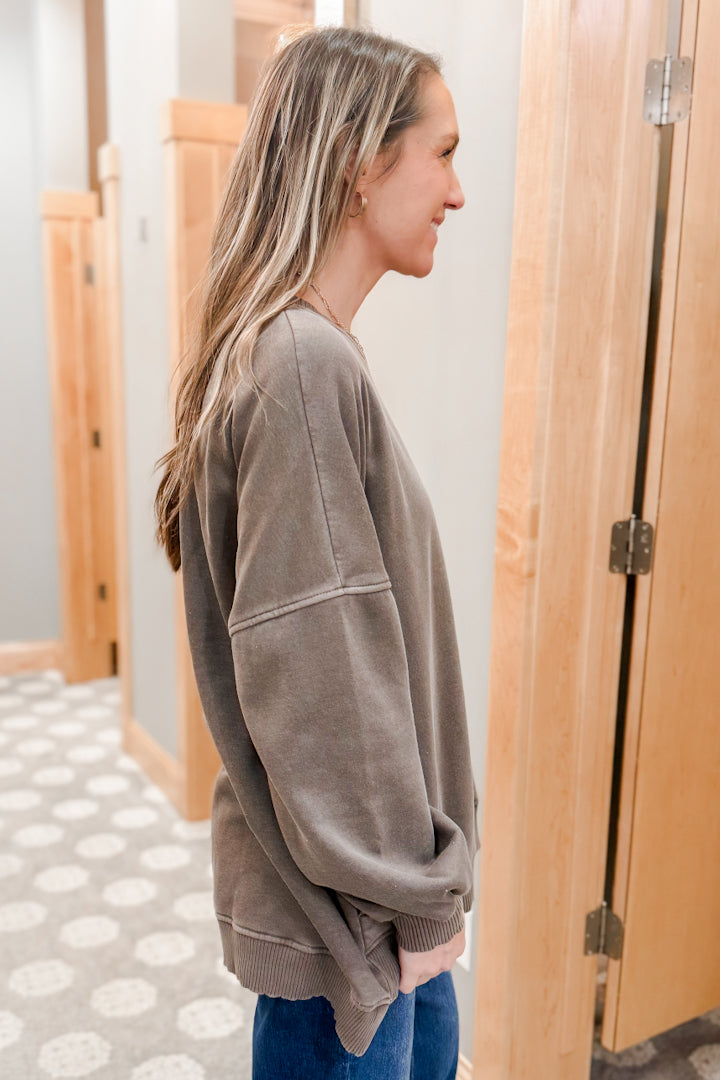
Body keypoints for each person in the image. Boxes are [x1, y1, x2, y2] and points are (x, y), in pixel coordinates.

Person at [154, 24, 480, 1080]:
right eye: (443, 153)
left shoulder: (302, 351)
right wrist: (417, 899)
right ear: (358, 162)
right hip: (357, 932)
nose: (457, 192)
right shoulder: (300, 364)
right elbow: (321, 685)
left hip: (367, 911)